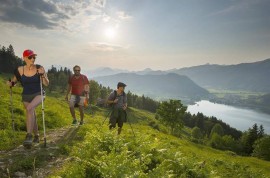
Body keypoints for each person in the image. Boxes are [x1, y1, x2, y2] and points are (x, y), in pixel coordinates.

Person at [7, 49, 49, 147]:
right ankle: (37, 136)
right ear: (24, 58)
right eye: (30, 57)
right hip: (26, 95)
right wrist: (11, 84)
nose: (33, 59)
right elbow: (14, 82)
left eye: (34, 57)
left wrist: (43, 75)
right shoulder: (19, 70)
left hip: (39, 93)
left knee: (29, 109)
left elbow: (46, 83)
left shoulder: (39, 68)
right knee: (31, 113)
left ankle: (28, 136)